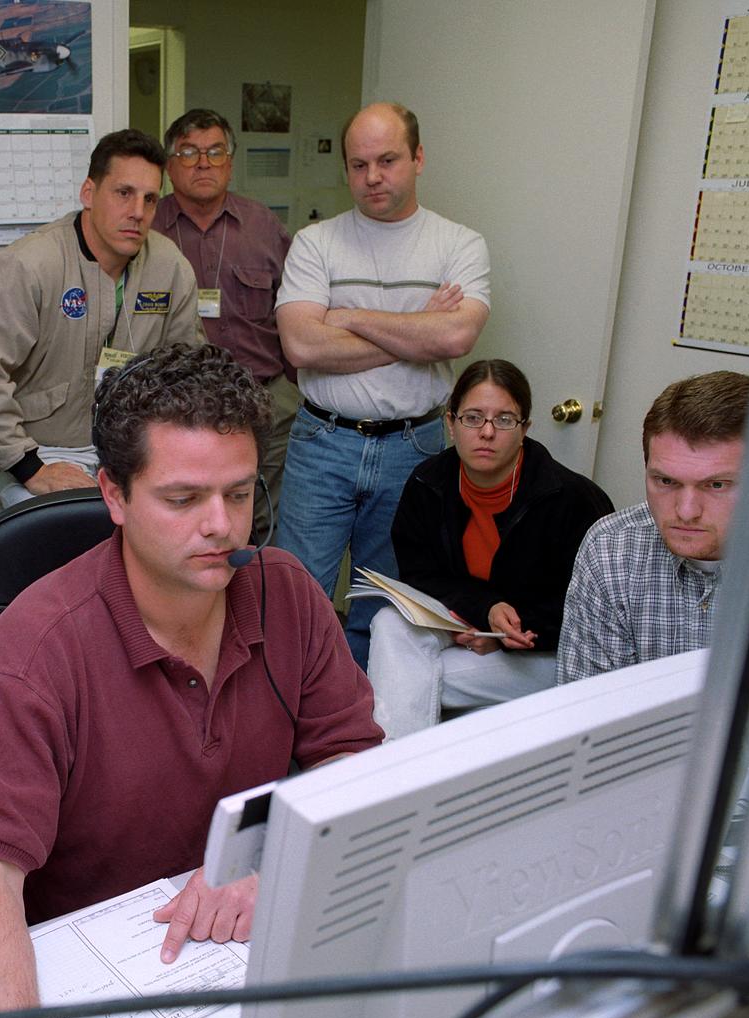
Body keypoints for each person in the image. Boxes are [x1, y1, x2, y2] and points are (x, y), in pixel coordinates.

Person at [0, 343, 383, 1010]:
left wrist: (272, 862)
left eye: (238, 494)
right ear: (113, 494)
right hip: (96, 959)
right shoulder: (29, 658)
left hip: (240, 940)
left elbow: (353, 761)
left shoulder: (285, 592)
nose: (222, 525)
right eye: (183, 499)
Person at [273, 101, 491, 667]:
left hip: (412, 449)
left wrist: (346, 316)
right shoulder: (315, 242)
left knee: (389, 607)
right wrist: (418, 323)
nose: (372, 177)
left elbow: (456, 338)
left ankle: (367, 733)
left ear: (418, 158)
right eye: (358, 164)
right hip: (322, 441)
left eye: (388, 160)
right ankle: (298, 734)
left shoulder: (459, 244)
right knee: (296, 600)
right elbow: (300, 346)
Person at [0, 128, 202, 511]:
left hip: (130, 454)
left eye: (150, 199)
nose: (137, 211)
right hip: (35, 453)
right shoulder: (29, 265)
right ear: (89, 193)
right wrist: (30, 467)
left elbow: (188, 376)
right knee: (72, 535)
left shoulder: (170, 268)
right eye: (123, 193)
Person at [368, 360, 613, 738]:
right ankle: (403, 773)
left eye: (503, 420)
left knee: (408, 679)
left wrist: (509, 631)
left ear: (525, 430)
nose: (486, 432)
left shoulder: (574, 500)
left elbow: (597, 613)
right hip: (462, 622)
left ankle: (391, 778)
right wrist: (484, 610)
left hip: (541, 651)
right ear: (451, 424)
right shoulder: (427, 483)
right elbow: (420, 576)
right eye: (472, 418)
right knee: (388, 623)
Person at [556, 370, 749, 684]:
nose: (686, 511)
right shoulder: (612, 549)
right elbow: (587, 710)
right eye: (666, 481)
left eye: (716, 484)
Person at [152, 108, 297, 539]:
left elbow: (293, 310)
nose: (203, 163)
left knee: (262, 518)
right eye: (190, 152)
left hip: (266, 402)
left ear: (230, 162)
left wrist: (292, 392)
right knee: (188, 523)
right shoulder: (147, 229)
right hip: (174, 412)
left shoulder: (263, 226)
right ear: (169, 165)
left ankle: (253, 603)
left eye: (215, 152)